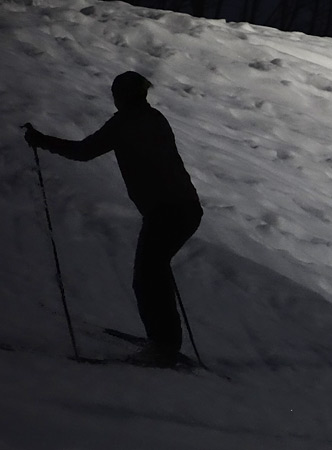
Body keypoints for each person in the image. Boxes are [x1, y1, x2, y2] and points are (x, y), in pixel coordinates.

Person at [24, 71, 203, 367]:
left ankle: (163, 346)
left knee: (147, 276)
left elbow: (84, 152)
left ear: (122, 96)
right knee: (154, 271)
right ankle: (165, 342)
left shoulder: (126, 122)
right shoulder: (155, 117)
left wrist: (41, 140)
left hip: (165, 211)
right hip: (186, 209)